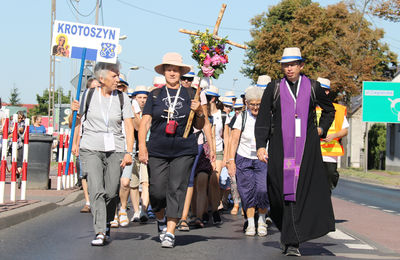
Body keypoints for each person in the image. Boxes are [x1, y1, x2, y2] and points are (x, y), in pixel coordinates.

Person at [255, 47, 336, 256]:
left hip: (306, 149)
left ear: (301, 66)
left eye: (292, 65)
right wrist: (261, 145)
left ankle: (292, 241)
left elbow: (329, 110)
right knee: (277, 191)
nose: (289, 69)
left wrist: (321, 129)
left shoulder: (313, 87)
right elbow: (263, 118)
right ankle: (286, 229)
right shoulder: (273, 88)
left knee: (298, 192)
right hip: (280, 146)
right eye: (285, 65)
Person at [138, 52, 205, 248]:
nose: (173, 72)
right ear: (164, 72)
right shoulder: (155, 95)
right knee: (157, 192)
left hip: (183, 149)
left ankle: (170, 231)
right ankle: (160, 219)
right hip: (157, 149)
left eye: (176, 69)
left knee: (176, 188)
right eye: (169, 69)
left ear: (181, 72)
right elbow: (145, 123)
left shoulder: (192, 94)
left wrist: (199, 110)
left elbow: (200, 124)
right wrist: (142, 146)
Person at [77, 61, 134, 246]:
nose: (118, 78)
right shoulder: (88, 95)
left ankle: (107, 221)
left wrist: (129, 152)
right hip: (91, 147)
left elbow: (128, 126)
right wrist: (75, 142)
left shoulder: (123, 98)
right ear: (101, 79)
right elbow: (77, 120)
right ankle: (100, 231)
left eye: (118, 75)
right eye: (114, 75)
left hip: (115, 148)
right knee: (96, 189)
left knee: (110, 192)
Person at [227, 87, 269, 237]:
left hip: (263, 159)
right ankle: (251, 222)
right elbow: (234, 140)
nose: (256, 107)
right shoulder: (242, 117)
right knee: (246, 191)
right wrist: (231, 160)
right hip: (244, 158)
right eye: (252, 104)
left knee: (262, 189)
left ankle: (262, 220)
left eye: (258, 104)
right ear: (246, 103)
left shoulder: (269, 116)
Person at [70, 78, 101, 214]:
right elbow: (74, 124)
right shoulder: (83, 103)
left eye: (98, 88)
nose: (96, 91)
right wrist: (75, 143)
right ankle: (88, 201)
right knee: (85, 174)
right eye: (93, 88)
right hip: (85, 142)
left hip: (100, 142)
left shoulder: (104, 104)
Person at [316, 77, 349, 191]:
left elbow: (345, 130)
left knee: (329, 179)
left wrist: (333, 136)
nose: (321, 92)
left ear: (327, 91)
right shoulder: (308, 108)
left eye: (324, 90)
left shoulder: (337, 110)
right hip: (313, 151)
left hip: (330, 153)